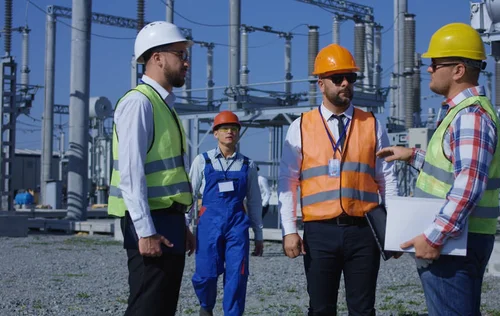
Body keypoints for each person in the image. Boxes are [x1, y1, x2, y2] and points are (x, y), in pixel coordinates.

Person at [377, 22, 500, 316]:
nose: (429, 69)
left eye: (435, 64)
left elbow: (468, 184)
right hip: (459, 239)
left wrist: (434, 237)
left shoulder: (470, 116)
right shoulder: (463, 113)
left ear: (458, 70)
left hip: (455, 244)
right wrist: (412, 155)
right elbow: (449, 169)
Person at [278, 43, 398, 315]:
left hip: (364, 231)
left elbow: (387, 178)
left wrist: (395, 228)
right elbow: (287, 182)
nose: (346, 83)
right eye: (337, 78)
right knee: (320, 309)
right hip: (319, 233)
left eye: (350, 78)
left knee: (363, 309)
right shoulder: (301, 126)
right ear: (321, 84)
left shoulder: (372, 124)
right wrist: (289, 230)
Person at [107, 21, 196, 316]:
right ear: (157, 57)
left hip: (167, 222)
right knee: (147, 307)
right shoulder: (139, 103)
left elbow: (169, 177)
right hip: (149, 225)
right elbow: (132, 175)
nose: (186, 62)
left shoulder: (162, 104)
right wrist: (145, 232)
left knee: (161, 307)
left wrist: (182, 224)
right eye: (180, 54)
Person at [190, 110, 264, 316]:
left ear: (238, 133)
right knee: (205, 274)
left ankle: (232, 313)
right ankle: (206, 306)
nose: (229, 132)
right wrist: (187, 228)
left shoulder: (248, 165)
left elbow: (255, 201)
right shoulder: (202, 161)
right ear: (215, 133)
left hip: (237, 226)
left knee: (237, 275)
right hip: (208, 225)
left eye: (234, 128)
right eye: (224, 128)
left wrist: (258, 234)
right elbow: (189, 196)